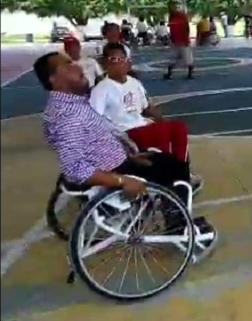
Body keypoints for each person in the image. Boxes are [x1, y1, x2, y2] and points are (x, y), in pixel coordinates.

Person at [35, 51, 211, 232]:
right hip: (114, 172)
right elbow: (75, 168)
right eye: (68, 65)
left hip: (119, 161)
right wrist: (122, 180)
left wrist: (130, 155)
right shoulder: (67, 116)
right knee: (175, 168)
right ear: (53, 79)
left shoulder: (72, 103)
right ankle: (178, 226)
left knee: (165, 160)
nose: (78, 66)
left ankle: (173, 214)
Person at [90, 43, 202, 192]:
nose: (118, 63)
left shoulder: (134, 83)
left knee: (178, 129)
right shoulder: (101, 89)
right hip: (127, 133)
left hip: (144, 126)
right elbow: (93, 119)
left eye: (121, 59)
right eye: (113, 59)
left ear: (128, 62)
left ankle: (181, 175)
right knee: (162, 134)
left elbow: (147, 107)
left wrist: (163, 121)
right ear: (105, 64)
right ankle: (167, 180)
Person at [165, 1, 194, 80]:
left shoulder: (183, 16)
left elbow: (186, 28)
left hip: (183, 41)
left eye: (177, 7)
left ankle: (190, 73)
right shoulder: (172, 17)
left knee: (188, 58)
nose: (176, 8)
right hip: (175, 41)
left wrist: (186, 39)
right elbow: (171, 29)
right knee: (172, 58)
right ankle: (169, 73)